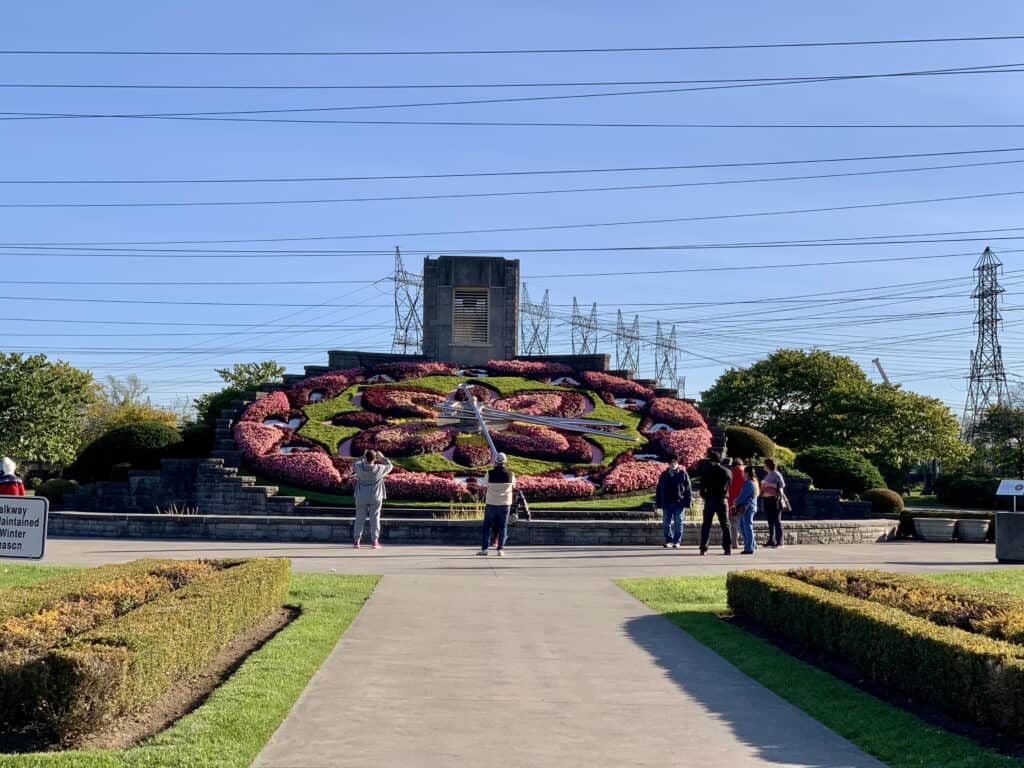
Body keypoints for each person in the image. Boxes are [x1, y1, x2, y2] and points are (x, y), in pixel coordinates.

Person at [353, 450, 392, 549]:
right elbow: (390, 466)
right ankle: (375, 541)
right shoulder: (380, 468)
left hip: (361, 496)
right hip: (376, 496)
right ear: (375, 459)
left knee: (359, 518)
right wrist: (382, 457)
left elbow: (354, 463)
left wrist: (362, 456)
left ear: (365, 458)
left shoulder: (359, 467)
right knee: (375, 518)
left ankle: (356, 541)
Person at [478, 453, 515, 557]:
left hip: (491, 503)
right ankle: (500, 550)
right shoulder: (511, 474)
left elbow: (484, 484)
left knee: (487, 527)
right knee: (502, 527)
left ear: (495, 461)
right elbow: (514, 486)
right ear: (505, 462)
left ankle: (485, 549)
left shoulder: (489, 473)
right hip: (505, 504)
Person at [696, 450, 733, 555]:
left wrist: (705, 496)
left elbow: (702, 487)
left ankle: (703, 548)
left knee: (706, 524)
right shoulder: (727, 472)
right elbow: (729, 485)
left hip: (710, 500)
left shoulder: (707, 471)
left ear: (711, 460)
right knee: (725, 524)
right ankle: (727, 547)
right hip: (722, 499)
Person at [655, 456, 691, 548]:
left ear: (677, 463)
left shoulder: (683, 474)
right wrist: (658, 503)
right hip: (667, 503)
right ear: (669, 464)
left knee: (678, 522)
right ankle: (668, 541)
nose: (673, 464)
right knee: (666, 523)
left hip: (679, 503)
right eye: (671, 462)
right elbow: (659, 489)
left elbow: (688, 489)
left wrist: (687, 502)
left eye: (675, 462)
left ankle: (677, 541)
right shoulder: (664, 475)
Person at [733, 465, 760, 555]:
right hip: (749, 507)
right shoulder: (754, 482)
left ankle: (749, 547)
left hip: (747, 508)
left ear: (747, 473)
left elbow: (743, 496)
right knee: (743, 526)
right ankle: (752, 544)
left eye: (744, 472)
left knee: (746, 527)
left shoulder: (749, 483)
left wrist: (735, 502)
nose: (742, 474)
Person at [760, 458, 787, 547]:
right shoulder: (768, 475)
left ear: (768, 465)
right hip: (767, 499)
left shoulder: (776, 474)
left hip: (774, 499)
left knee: (776, 520)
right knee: (770, 521)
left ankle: (780, 541)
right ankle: (771, 540)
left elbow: (782, 485)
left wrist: (768, 484)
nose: (763, 466)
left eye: (764, 464)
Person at [727, 458, 746, 551]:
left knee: (733, 523)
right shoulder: (745, 474)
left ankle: (734, 543)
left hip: (732, 502)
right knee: (745, 523)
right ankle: (749, 542)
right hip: (744, 502)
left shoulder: (730, 473)